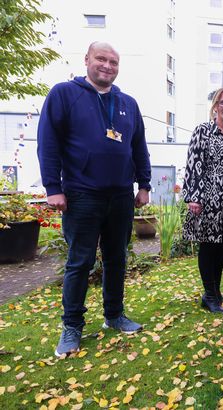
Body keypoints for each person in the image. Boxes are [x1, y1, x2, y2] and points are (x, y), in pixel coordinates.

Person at [37, 42, 151, 357]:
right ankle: (72, 327)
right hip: (81, 194)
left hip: (120, 195)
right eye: (101, 59)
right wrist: (52, 188)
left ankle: (114, 315)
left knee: (117, 258)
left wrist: (144, 184)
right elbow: (48, 142)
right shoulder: (63, 95)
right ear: (87, 59)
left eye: (113, 61)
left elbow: (138, 146)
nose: (107, 66)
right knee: (80, 261)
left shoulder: (128, 103)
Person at [182, 87, 223, 314]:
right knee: (208, 246)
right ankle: (209, 295)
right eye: (222, 102)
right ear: (215, 106)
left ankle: (216, 293)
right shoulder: (203, 131)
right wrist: (193, 196)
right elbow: (193, 165)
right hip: (207, 199)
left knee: (220, 247)